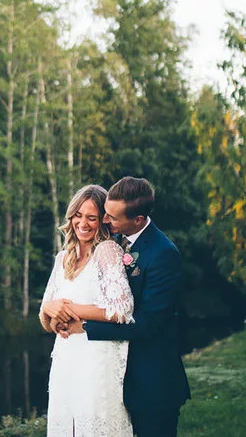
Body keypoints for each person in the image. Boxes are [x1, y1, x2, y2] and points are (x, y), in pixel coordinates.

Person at [61, 177, 191, 437]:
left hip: (151, 382)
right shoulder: (115, 241)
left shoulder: (163, 254)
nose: (105, 221)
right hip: (112, 377)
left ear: (138, 220)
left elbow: (148, 325)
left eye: (112, 217)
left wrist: (85, 327)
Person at [39, 184, 135, 436]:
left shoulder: (107, 251)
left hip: (96, 358)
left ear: (102, 220)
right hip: (65, 357)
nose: (83, 223)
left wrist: (71, 309)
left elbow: (122, 309)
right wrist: (51, 309)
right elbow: (46, 316)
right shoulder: (63, 258)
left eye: (91, 217)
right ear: (70, 218)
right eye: (78, 216)